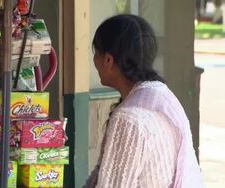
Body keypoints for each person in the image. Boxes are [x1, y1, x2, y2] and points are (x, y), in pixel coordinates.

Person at [83, 14, 204, 188]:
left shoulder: (129, 118)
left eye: (96, 54)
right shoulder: (161, 96)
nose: (94, 61)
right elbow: (99, 174)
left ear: (108, 60)